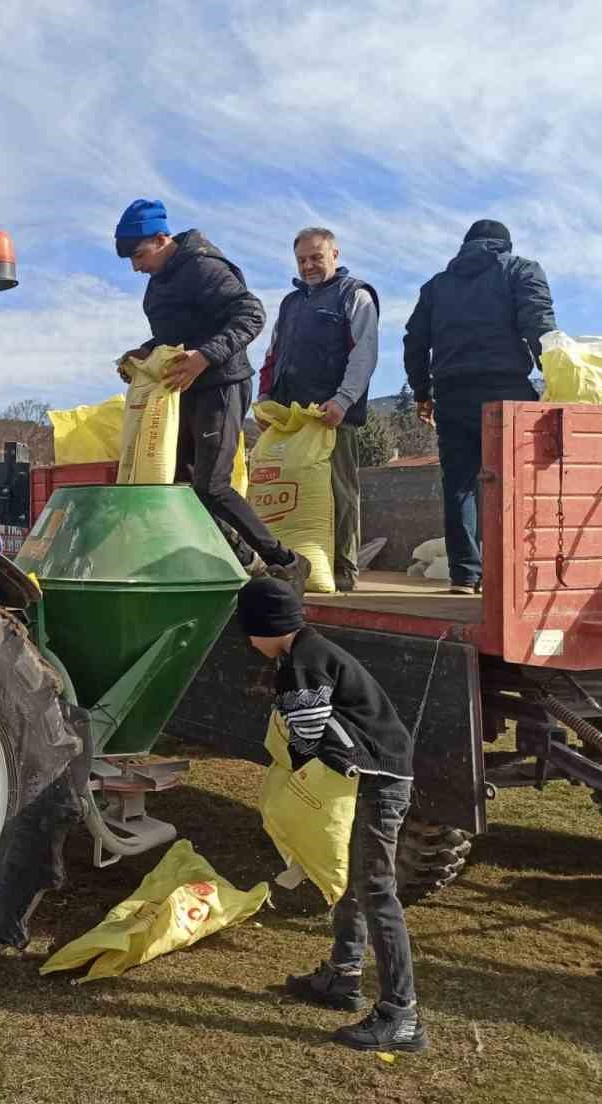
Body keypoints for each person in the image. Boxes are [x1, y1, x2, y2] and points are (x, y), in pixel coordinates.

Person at [238, 576, 425, 1053]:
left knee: (378, 890)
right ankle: (343, 976)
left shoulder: (302, 662)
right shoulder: (309, 651)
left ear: (266, 626)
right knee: (353, 877)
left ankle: (402, 1016)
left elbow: (305, 735)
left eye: (248, 631)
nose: (247, 641)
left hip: (376, 782)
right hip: (375, 774)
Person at [113, 198, 309, 588]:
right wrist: (148, 350)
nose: (136, 267)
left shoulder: (203, 267)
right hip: (184, 388)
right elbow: (181, 332)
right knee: (182, 486)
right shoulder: (161, 282)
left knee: (212, 486)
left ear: (162, 238)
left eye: (139, 255)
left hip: (221, 384)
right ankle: (241, 562)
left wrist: (205, 357)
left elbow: (251, 314)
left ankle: (286, 560)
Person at [404, 220, 556, 594]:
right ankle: (515, 574)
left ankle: (465, 576)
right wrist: (554, 375)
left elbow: (414, 341)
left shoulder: (437, 286)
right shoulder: (521, 269)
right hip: (506, 392)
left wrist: (422, 391)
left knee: (459, 486)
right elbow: (539, 323)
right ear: (504, 245)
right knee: (518, 483)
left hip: (452, 393)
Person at [259, 228, 379, 592]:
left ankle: (343, 570)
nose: (309, 265)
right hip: (290, 418)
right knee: (286, 489)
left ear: (335, 254)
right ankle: (289, 565)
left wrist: (342, 400)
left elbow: (364, 353)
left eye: (316, 257)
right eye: (302, 260)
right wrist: (265, 400)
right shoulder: (290, 303)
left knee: (339, 491)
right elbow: (273, 354)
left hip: (329, 415)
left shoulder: (354, 295)